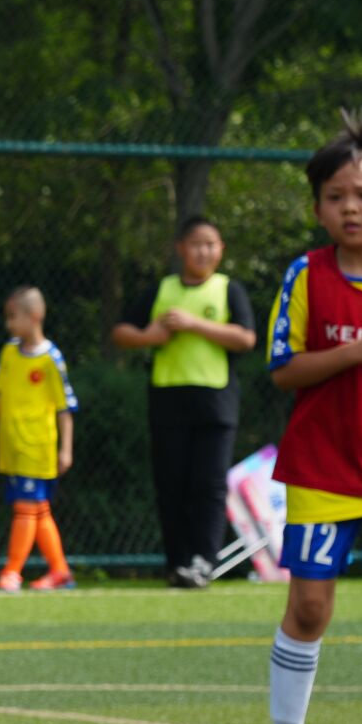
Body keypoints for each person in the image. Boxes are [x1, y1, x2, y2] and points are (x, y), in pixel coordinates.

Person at [257, 109, 362, 724]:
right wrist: (358, 353)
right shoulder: (306, 275)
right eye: (336, 197)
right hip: (327, 464)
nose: (350, 208)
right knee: (309, 606)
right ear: (318, 209)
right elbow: (283, 369)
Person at [112, 216, 257, 587]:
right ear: (180, 249)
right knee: (171, 484)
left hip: (215, 401)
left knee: (208, 485)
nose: (204, 251)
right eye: (196, 244)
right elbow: (122, 332)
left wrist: (196, 325)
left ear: (221, 249)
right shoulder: (162, 290)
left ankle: (203, 562)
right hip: (168, 398)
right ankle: (176, 563)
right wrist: (151, 336)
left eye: (211, 244)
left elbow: (245, 338)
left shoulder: (228, 290)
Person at [0, 287, 77, 592]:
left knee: (25, 506)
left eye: (13, 317)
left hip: (38, 446)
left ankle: (12, 571)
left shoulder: (51, 359)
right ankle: (60, 571)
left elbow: (64, 408)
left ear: (34, 317)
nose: (8, 324)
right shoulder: (8, 352)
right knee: (38, 508)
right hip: (12, 446)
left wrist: (66, 448)